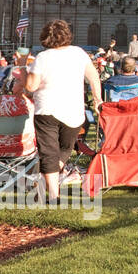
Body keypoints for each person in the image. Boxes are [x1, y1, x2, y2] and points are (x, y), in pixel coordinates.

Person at [22, 19, 102, 205]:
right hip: (73, 110)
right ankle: (51, 192)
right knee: (65, 149)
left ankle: (49, 192)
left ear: (45, 38)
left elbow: (31, 86)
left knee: (49, 152)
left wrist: (21, 68)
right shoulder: (79, 53)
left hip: (47, 109)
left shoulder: (42, 57)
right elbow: (94, 77)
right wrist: (98, 100)